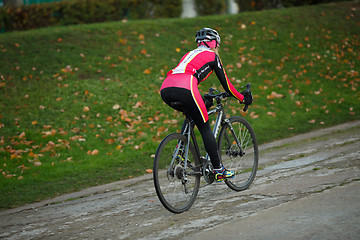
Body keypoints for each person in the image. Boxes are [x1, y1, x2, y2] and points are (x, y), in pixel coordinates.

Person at [160, 27, 252, 182]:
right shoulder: (212, 55)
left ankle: (180, 152)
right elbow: (227, 85)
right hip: (186, 87)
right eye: (217, 45)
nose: (217, 48)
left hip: (166, 88)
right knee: (204, 126)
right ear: (214, 43)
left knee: (192, 114)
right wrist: (242, 98)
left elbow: (185, 73)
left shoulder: (189, 54)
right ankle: (218, 170)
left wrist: (204, 101)